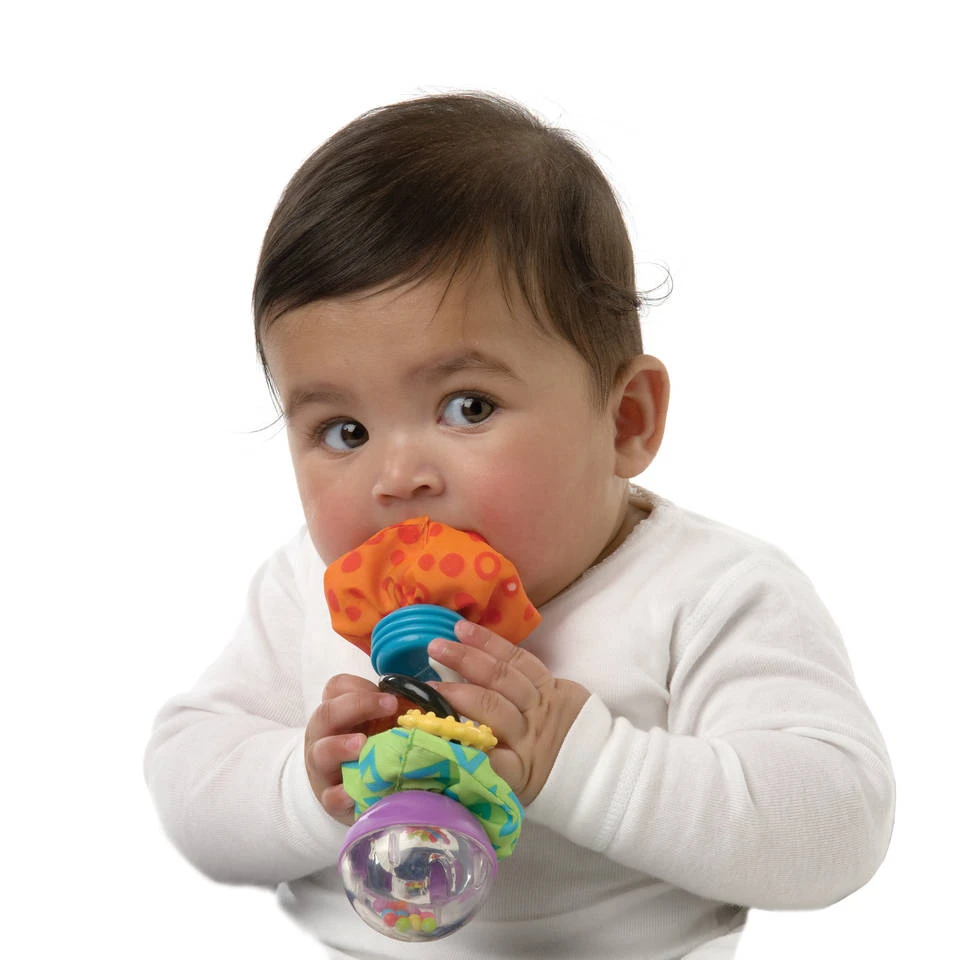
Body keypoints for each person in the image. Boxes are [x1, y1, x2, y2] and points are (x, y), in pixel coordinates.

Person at [144, 92, 895, 960]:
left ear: (625, 421)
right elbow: (188, 773)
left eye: (468, 406)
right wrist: (305, 785)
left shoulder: (710, 593)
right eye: (343, 431)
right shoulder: (302, 590)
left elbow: (839, 825)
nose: (398, 477)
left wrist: (583, 762)